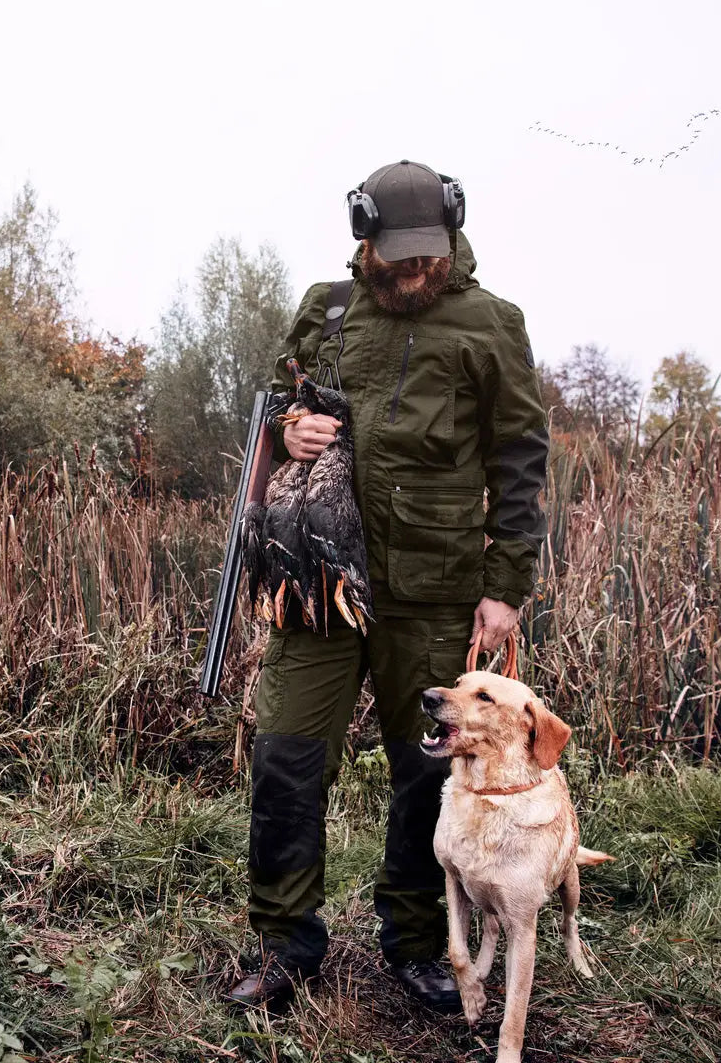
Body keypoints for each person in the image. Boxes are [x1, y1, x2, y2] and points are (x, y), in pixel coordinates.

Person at [227, 160, 548, 1011]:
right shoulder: (325, 310)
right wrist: (293, 430)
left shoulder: (490, 323)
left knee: (423, 770)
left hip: (436, 591)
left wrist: (505, 585)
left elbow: (520, 460)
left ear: (450, 237)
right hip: (322, 584)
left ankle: (415, 943)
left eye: (427, 256)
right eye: (397, 256)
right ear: (363, 240)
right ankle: (286, 941)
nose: (414, 271)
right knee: (287, 758)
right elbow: (278, 407)